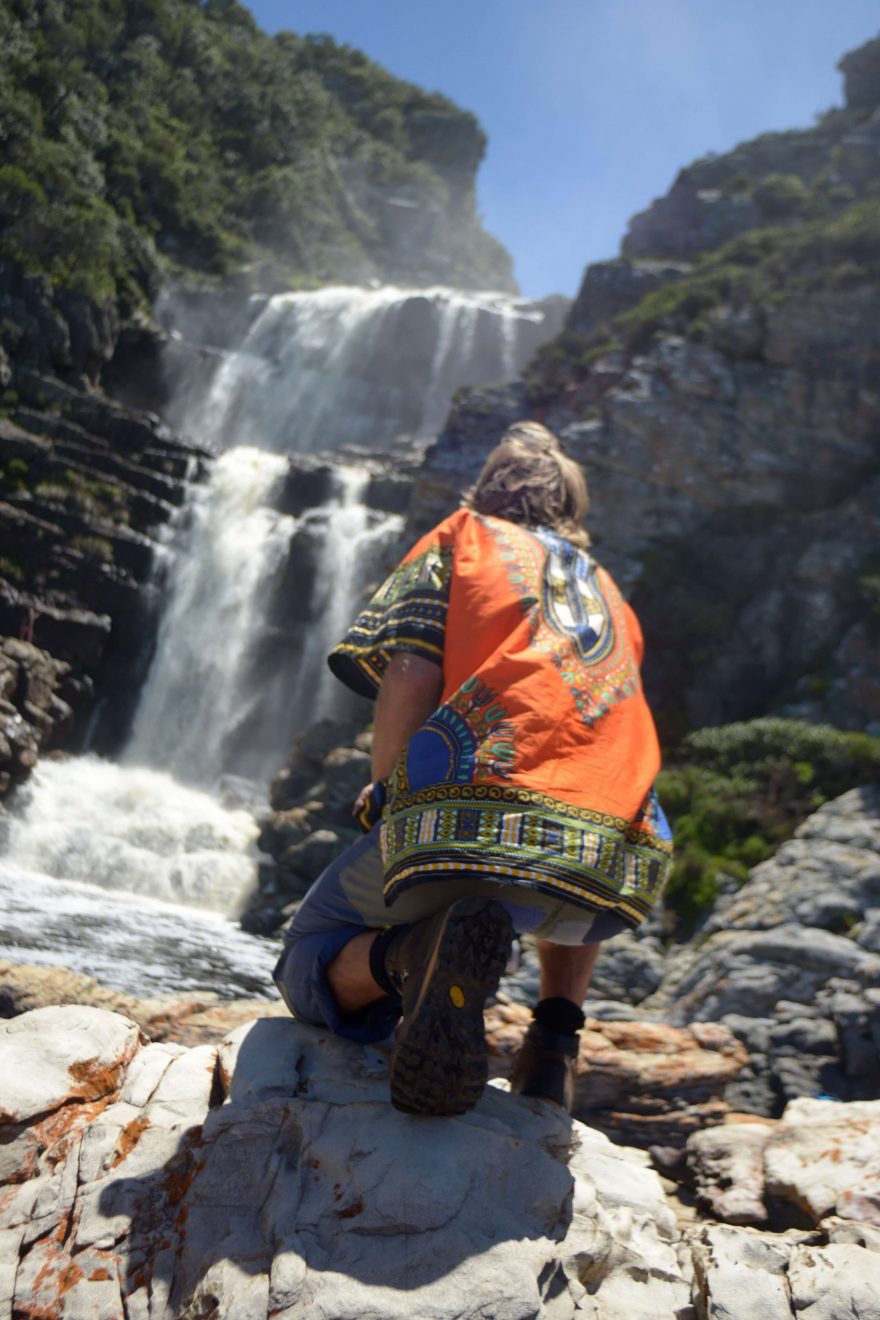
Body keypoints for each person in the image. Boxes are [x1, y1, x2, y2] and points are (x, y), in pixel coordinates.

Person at [273, 421, 672, 1116]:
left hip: (477, 818)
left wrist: (389, 787)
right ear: (569, 508)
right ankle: (553, 1047)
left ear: (489, 487)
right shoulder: (609, 589)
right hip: (618, 861)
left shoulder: (466, 535)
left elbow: (407, 669)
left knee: (306, 957)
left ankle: (410, 957)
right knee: (577, 816)